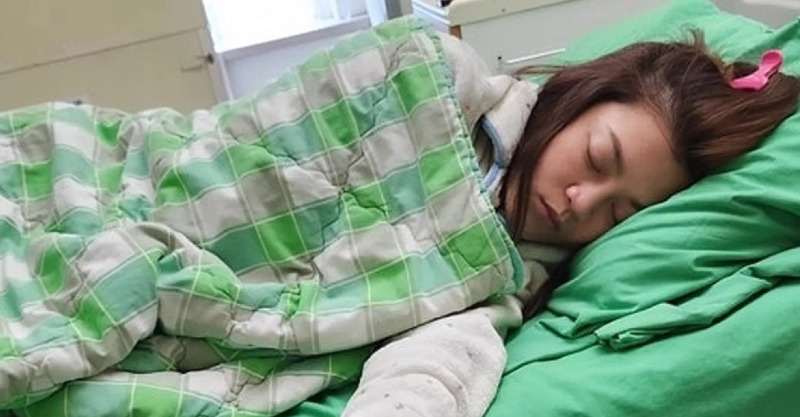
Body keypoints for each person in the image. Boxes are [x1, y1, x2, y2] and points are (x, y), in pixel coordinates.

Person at [341, 30, 800, 417]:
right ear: (576, 99)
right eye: (596, 158)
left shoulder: (511, 277)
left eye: (618, 213)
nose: (582, 202)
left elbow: (434, 359)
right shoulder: (439, 81)